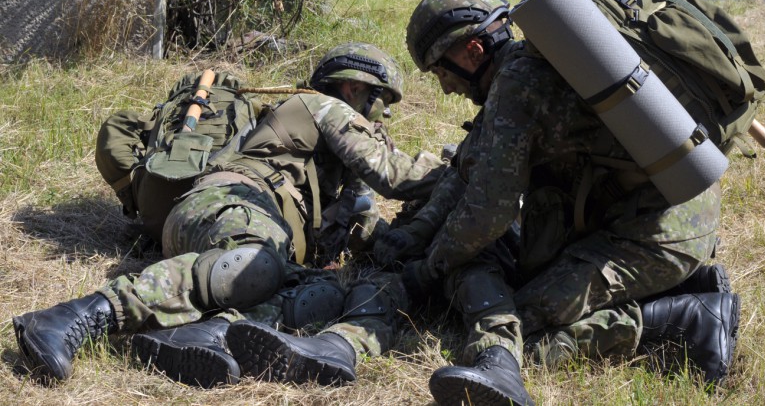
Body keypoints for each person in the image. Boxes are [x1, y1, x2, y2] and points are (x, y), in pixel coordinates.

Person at [374, 0, 740, 405]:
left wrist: (427, 271)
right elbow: (463, 172)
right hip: (653, 216)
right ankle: (682, 285)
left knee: (520, 326)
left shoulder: (519, 84)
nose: (446, 88)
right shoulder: (526, 68)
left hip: (654, 236)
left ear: (472, 51)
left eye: (441, 71)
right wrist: (413, 236)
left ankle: (685, 322)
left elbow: (488, 213)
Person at [12, 42, 445, 388]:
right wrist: (472, 165)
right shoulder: (323, 108)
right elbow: (395, 175)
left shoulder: (334, 172)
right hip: (228, 206)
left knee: (325, 293)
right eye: (381, 99)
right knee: (254, 263)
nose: (384, 114)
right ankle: (73, 318)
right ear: (353, 88)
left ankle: (207, 334)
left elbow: (364, 229)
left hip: (250, 231)